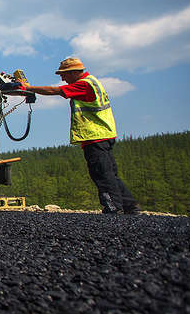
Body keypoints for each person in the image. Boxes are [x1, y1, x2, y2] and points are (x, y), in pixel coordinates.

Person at [18, 57, 140, 215]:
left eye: (64, 75)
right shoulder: (92, 81)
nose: (63, 78)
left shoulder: (84, 84)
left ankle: (113, 207)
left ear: (74, 72)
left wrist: (27, 87)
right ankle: (130, 206)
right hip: (104, 134)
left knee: (101, 173)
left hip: (95, 136)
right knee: (110, 173)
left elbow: (55, 91)